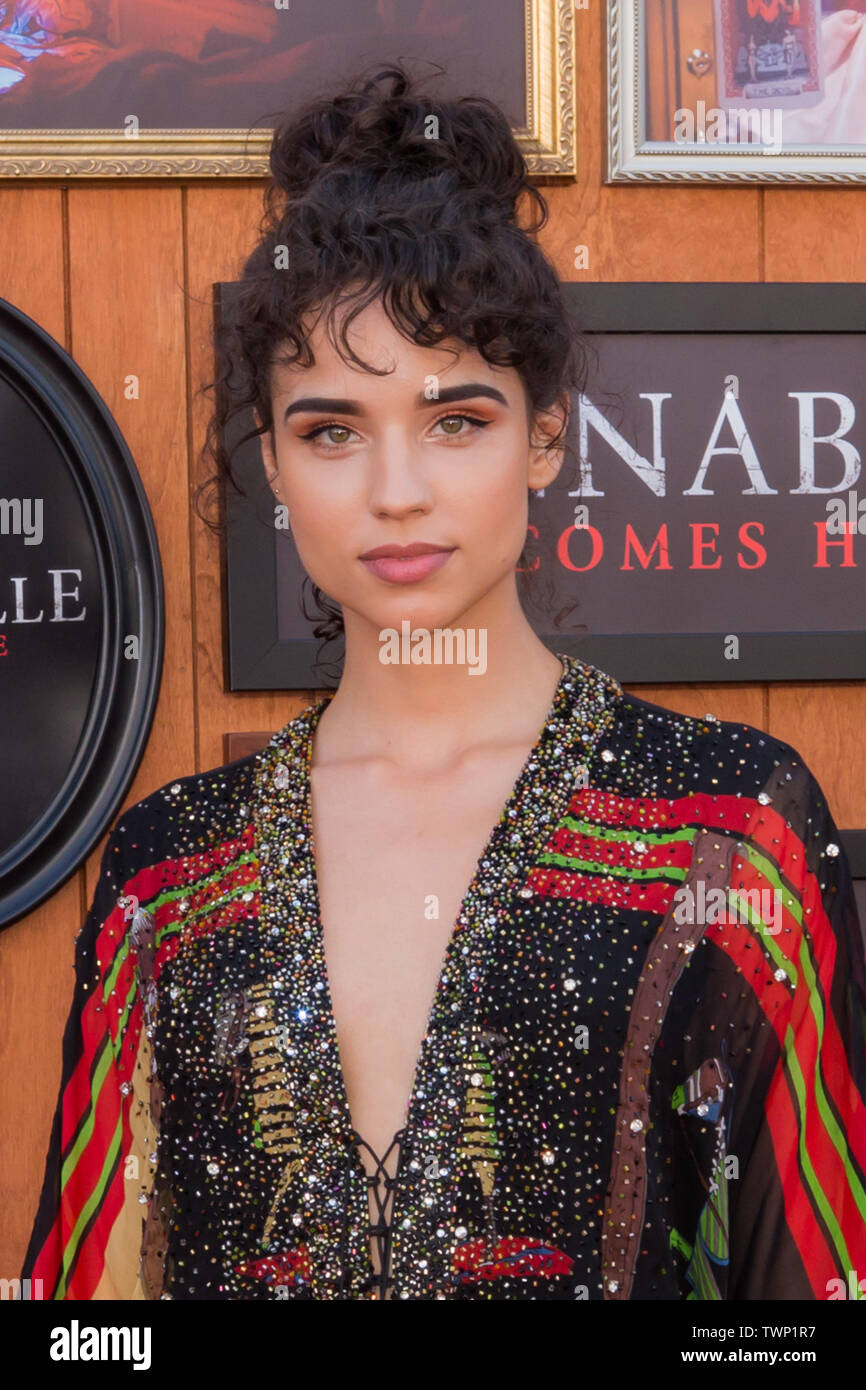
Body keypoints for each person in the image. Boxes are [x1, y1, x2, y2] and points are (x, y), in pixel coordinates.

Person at [22, 63, 866, 1301]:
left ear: (542, 437)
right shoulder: (167, 878)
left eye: (455, 418)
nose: (396, 489)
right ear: (272, 459)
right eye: (331, 429)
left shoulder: (725, 831)